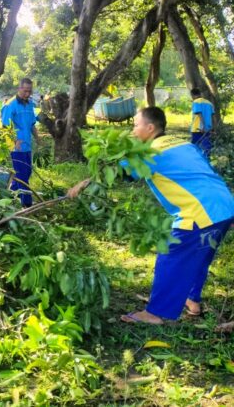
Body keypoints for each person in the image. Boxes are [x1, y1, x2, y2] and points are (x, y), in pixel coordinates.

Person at [68, 107, 234, 324]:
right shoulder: (181, 142)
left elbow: (116, 174)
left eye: (135, 125)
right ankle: (192, 301)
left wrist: (84, 183)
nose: (132, 130)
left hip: (199, 212)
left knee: (171, 256)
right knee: (200, 254)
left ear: (150, 127)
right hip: (224, 207)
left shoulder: (148, 153)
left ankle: (156, 313)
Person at [1, 78, 39, 207]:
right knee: (22, 176)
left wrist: (38, 139)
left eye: (30, 91)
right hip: (16, 147)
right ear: (19, 89)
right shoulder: (10, 105)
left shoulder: (29, 104)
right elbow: (5, 126)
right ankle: (26, 204)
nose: (27, 94)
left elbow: (32, 124)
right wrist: (14, 141)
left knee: (26, 172)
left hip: (27, 145)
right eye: (25, 91)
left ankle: (10, 196)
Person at [189, 87, 214, 158]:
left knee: (195, 145)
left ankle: (195, 159)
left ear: (192, 95)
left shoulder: (196, 102)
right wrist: (211, 128)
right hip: (208, 128)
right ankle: (207, 158)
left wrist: (203, 126)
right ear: (200, 94)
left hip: (198, 128)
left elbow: (199, 113)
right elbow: (212, 116)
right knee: (206, 143)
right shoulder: (209, 103)